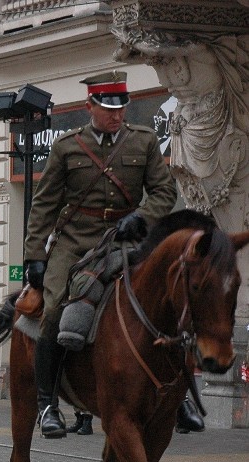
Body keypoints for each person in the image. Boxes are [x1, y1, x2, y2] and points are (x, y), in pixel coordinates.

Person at [23, 71, 179, 438]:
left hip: (127, 237)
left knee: (168, 296)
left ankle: (179, 395)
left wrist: (142, 217)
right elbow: (44, 206)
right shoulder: (67, 146)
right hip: (75, 240)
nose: (117, 115)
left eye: (122, 107)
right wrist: (35, 254)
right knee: (56, 306)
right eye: (109, 108)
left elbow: (164, 191)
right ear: (89, 106)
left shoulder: (143, 141)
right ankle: (48, 404)